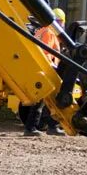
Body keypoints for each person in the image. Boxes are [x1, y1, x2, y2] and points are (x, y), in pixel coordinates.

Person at [23, 8, 66, 137]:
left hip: (39, 69)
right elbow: (45, 52)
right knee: (47, 99)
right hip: (45, 69)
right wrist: (52, 66)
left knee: (46, 99)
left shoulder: (43, 30)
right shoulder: (49, 32)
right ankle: (33, 127)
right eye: (61, 22)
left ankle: (48, 126)